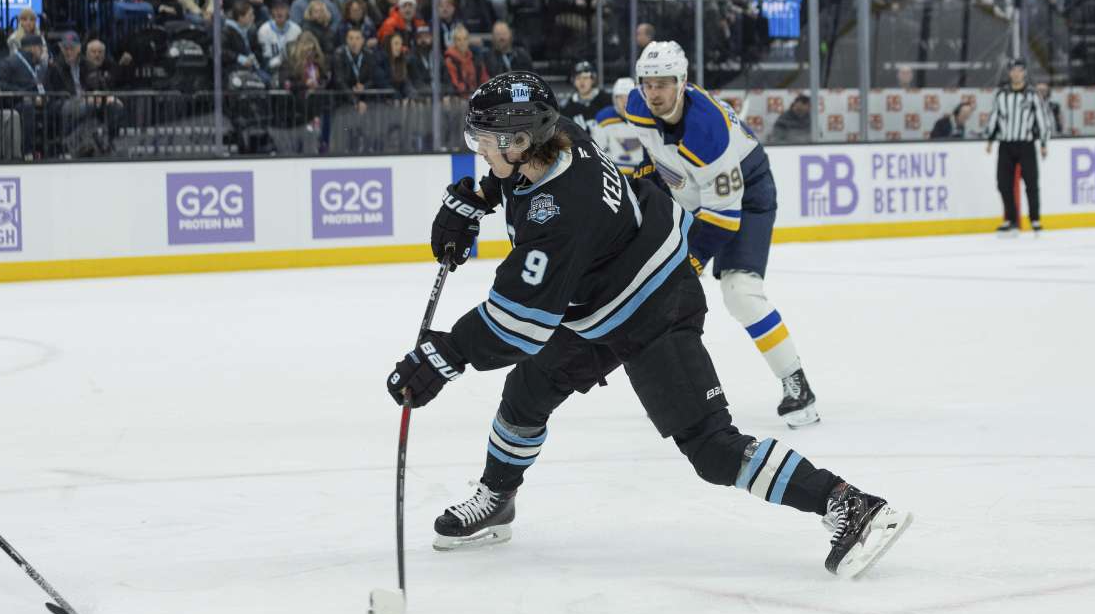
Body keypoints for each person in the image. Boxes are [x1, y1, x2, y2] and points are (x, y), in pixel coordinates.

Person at [385, 71, 912, 578]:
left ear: (521, 140)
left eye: (487, 139)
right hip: (599, 299)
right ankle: (498, 500)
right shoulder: (557, 136)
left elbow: (517, 327)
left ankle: (851, 504)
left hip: (655, 304)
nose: (480, 147)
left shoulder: (559, 216)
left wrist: (441, 357)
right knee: (526, 392)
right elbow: (520, 188)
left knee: (710, 447)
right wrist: (481, 198)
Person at [624, 41, 820, 427]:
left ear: (682, 82)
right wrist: (651, 179)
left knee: (740, 294)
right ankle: (665, 390)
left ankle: (796, 383)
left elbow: (723, 219)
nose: (654, 93)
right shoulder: (636, 106)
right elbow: (656, 151)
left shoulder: (707, 132)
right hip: (695, 190)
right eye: (648, 83)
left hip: (746, 195)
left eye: (663, 83)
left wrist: (690, 262)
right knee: (650, 287)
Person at [985, 58, 1050, 235]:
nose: (1016, 73)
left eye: (1019, 70)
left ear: (1025, 72)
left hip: (1026, 144)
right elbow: (994, 117)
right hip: (1006, 144)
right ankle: (1011, 220)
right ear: (1009, 72)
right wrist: (990, 139)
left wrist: (1044, 143)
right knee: (1003, 183)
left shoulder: (1032, 95)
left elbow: (1042, 119)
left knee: (1031, 183)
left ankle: (1035, 220)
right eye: (1013, 70)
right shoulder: (1001, 95)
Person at [591, 77, 644, 173]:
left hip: (643, 172)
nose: (625, 102)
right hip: (614, 173)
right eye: (620, 97)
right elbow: (596, 151)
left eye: (628, 97)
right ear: (614, 99)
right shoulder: (603, 118)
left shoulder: (646, 117)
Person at [560, 61, 612, 131]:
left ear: (593, 80)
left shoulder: (607, 100)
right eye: (578, 78)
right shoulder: (567, 107)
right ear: (573, 81)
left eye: (585, 78)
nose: (582, 82)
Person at [257, 0, 302, 77]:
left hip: (293, 69)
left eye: (283, 8)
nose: (279, 12)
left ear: (288, 10)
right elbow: (265, 60)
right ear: (272, 11)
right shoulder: (264, 30)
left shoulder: (296, 30)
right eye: (276, 9)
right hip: (271, 70)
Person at [443, 24, 480, 96]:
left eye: (465, 39)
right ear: (454, 42)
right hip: (460, 97)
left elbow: (483, 77)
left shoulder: (475, 58)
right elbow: (455, 84)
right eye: (459, 39)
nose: (462, 43)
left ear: (468, 41)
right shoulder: (450, 60)